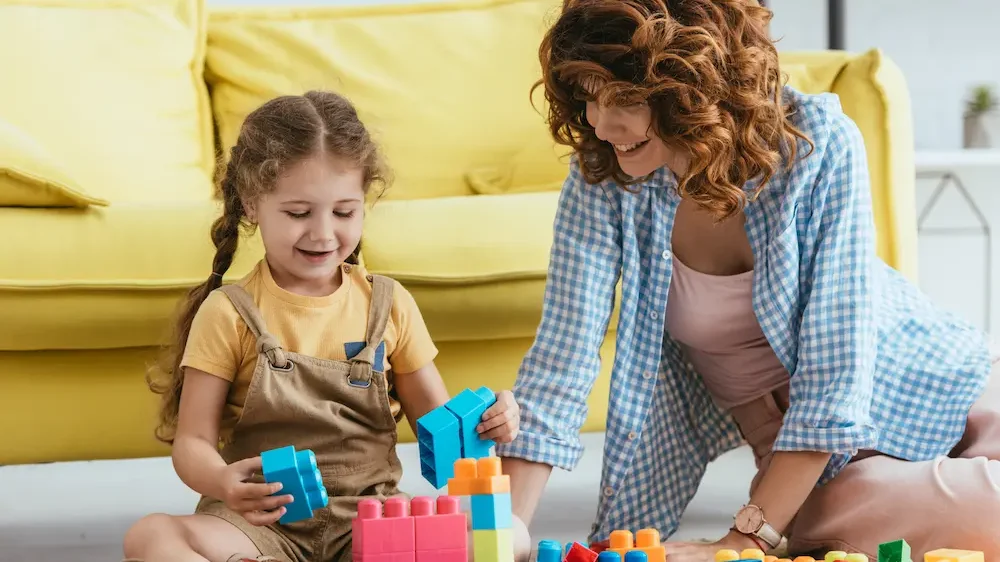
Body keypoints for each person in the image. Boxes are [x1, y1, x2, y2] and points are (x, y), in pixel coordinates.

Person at [495, 1, 1000, 561]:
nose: (599, 123)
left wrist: (737, 543)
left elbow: (836, 378)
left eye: (626, 100)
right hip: (816, 455)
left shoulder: (817, 142)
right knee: (835, 526)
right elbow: (561, 357)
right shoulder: (605, 176)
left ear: (694, 85)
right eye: (588, 96)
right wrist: (506, 527)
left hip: (938, 381)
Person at [122, 91, 521, 562]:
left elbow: (441, 424)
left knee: (511, 535)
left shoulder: (389, 305)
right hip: (258, 526)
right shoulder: (228, 312)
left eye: (344, 212)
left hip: (373, 524)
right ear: (251, 203)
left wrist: (490, 421)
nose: (323, 233)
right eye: (298, 213)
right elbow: (192, 443)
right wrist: (223, 481)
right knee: (151, 537)